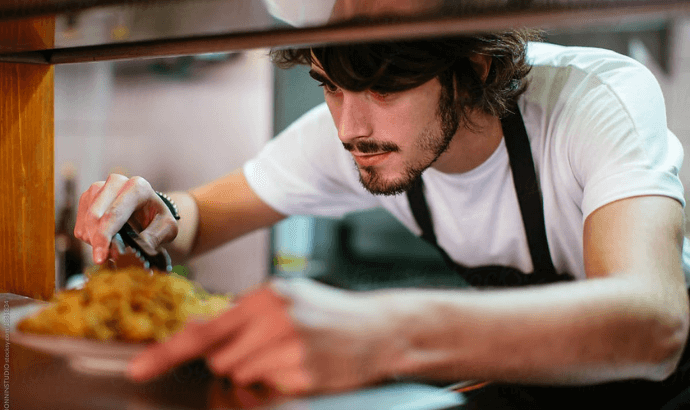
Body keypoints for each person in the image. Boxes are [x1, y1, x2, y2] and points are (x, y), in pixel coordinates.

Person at [74, 1, 690, 406]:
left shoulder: (591, 100)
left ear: (472, 68)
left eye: (385, 87)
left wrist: (385, 330)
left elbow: (653, 325)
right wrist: (152, 214)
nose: (350, 127)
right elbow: (196, 219)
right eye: (332, 87)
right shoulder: (354, 137)